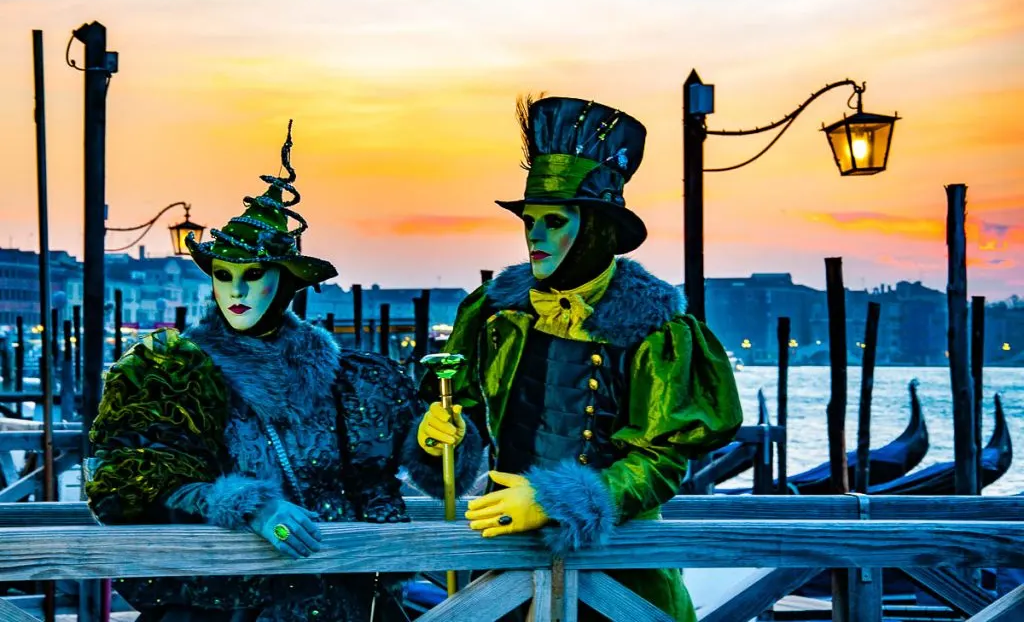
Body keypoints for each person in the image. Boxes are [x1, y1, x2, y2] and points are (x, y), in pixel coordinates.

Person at [85, 123, 483, 622]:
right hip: (226, 606)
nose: (237, 291)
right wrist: (248, 506)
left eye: (253, 275)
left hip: (347, 601)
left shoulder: (356, 379)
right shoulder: (171, 373)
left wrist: (438, 440)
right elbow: (126, 486)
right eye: (224, 275)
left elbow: (436, 472)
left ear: (287, 282)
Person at [416, 96, 743, 621]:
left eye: (554, 220)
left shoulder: (658, 332)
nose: (535, 236)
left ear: (596, 228)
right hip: (504, 560)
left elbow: (659, 463)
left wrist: (554, 500)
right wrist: (439, 435)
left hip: (620, 562)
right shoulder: (495, 314)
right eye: (529, 221)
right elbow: (473, 426)